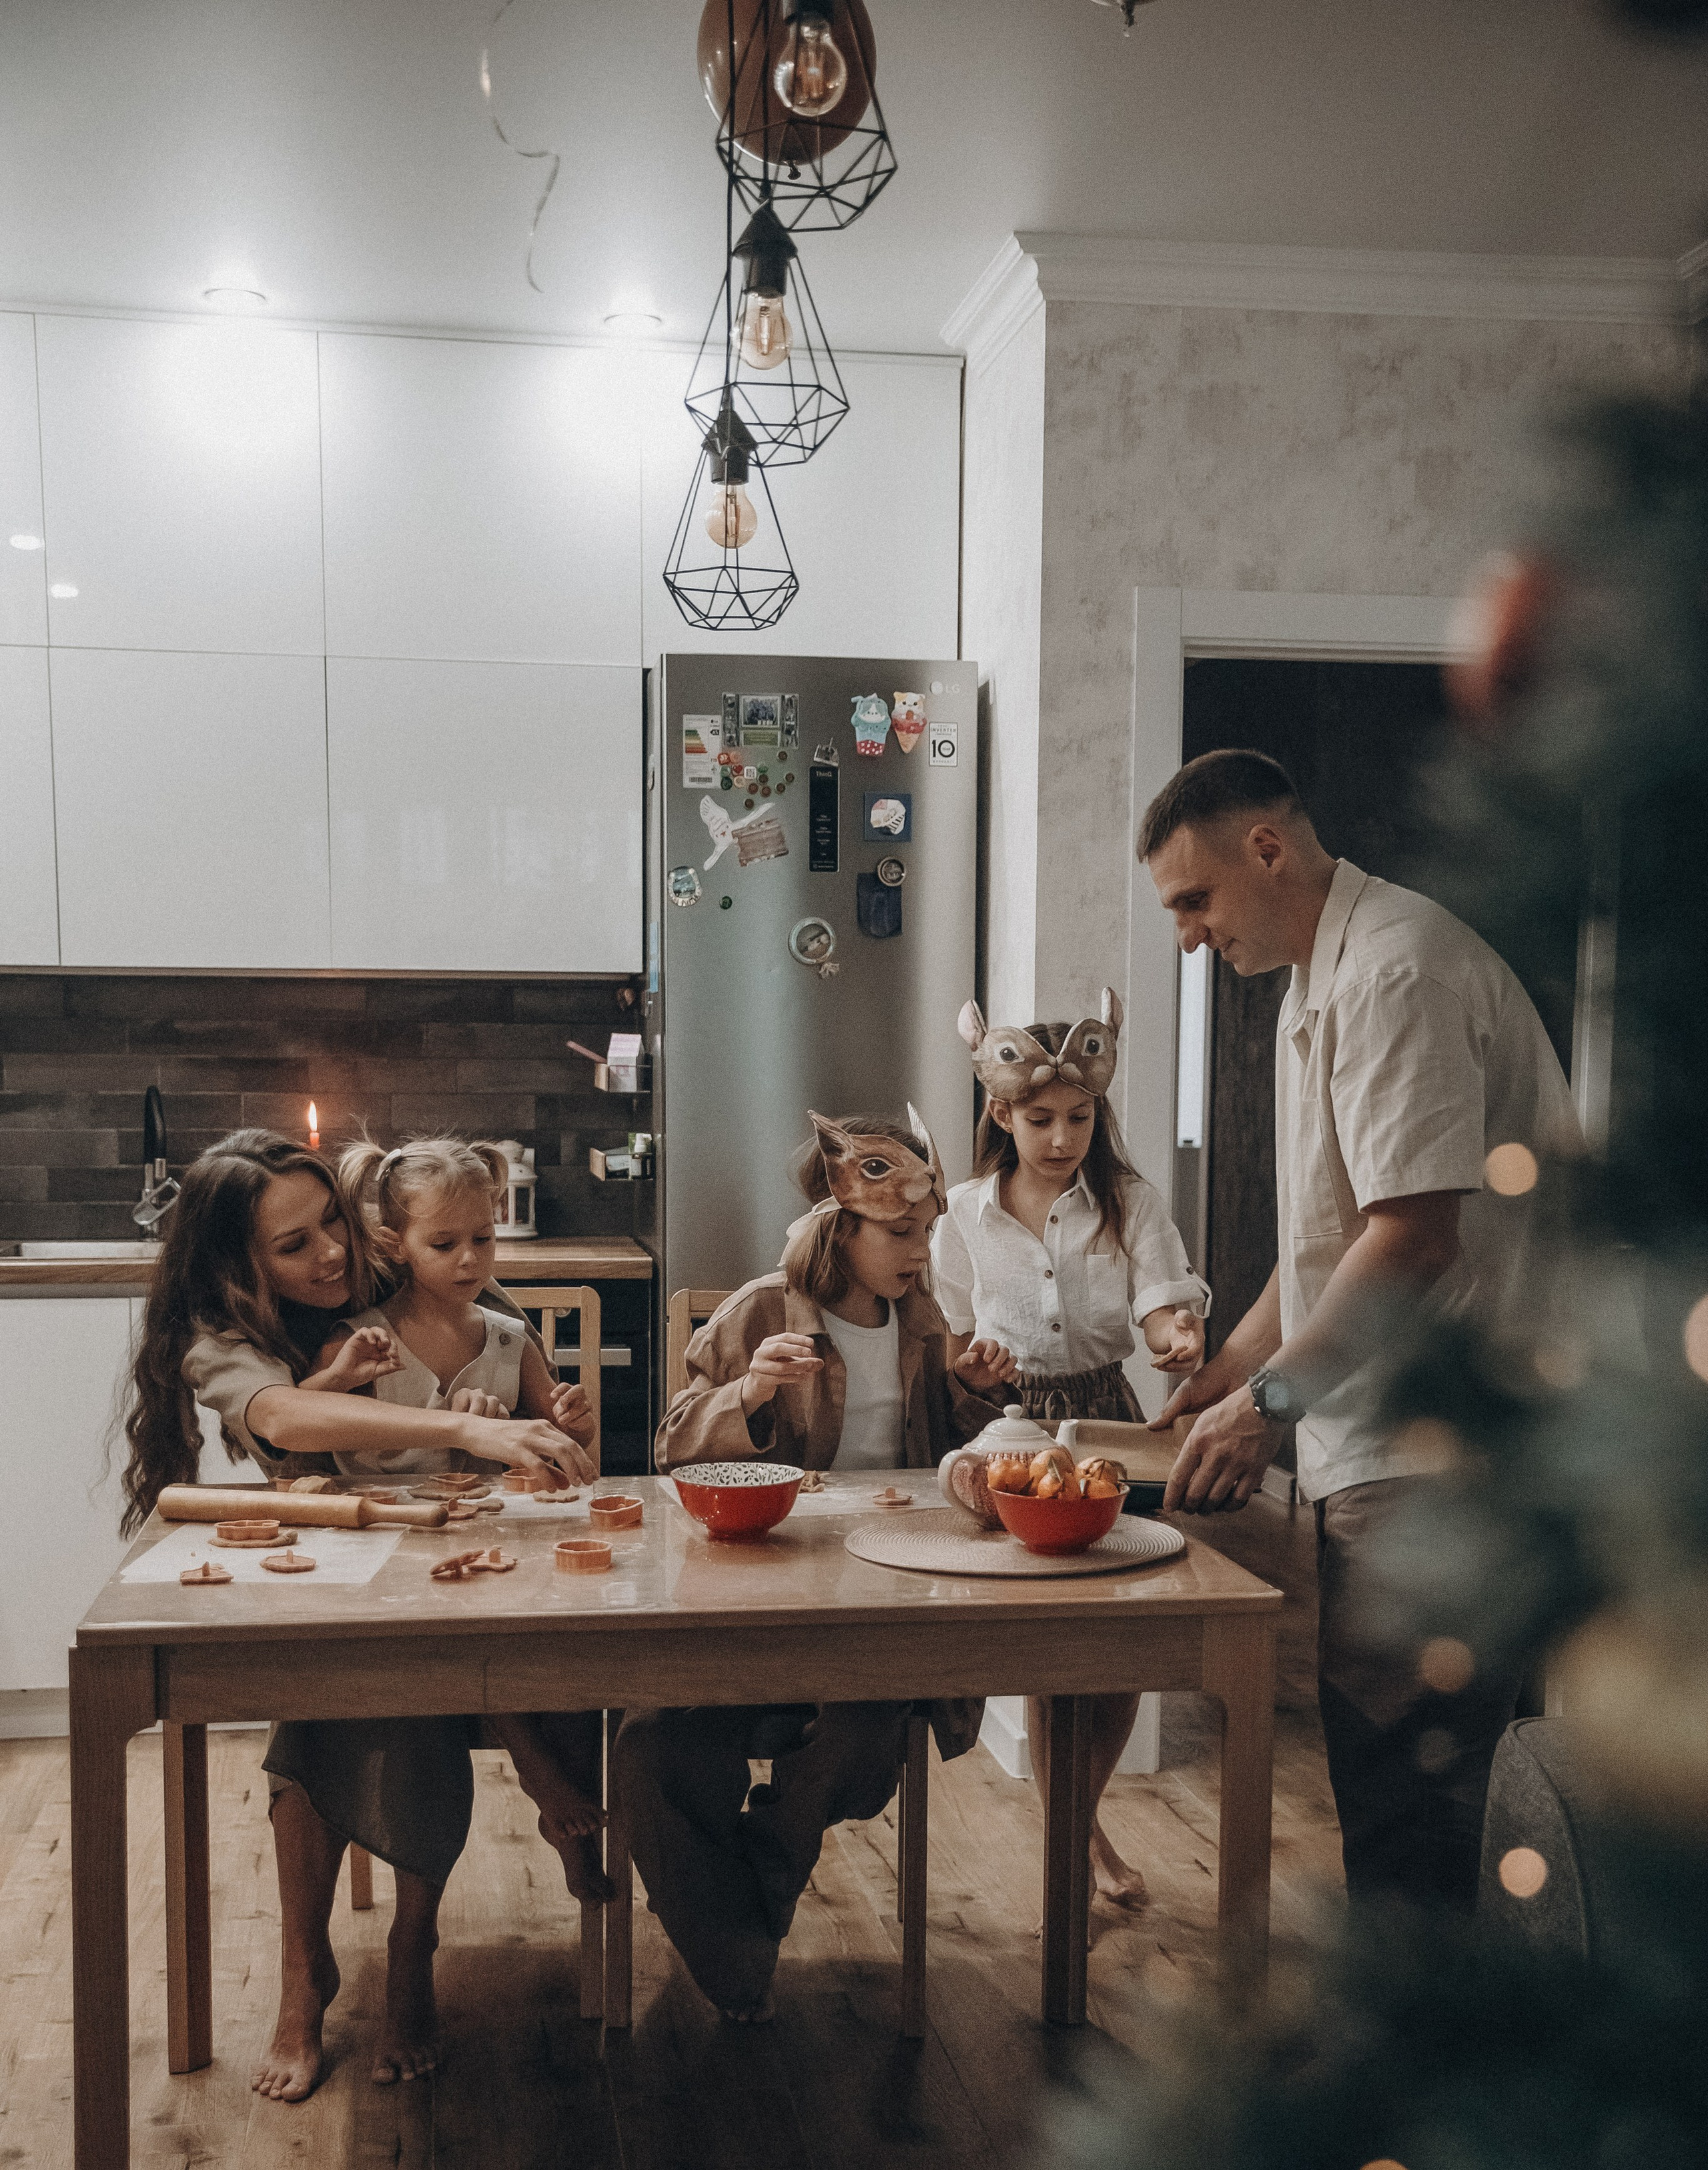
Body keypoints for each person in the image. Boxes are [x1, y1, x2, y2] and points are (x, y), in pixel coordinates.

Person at [1138, 749, 1580, 1907]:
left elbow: (1415, 1242)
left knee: (1413, 1793)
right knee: (1416, 1781)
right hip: (1406, 1436)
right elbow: (1334, 1236)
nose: (1189, 937)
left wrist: (1270, 1407)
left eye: (1195, 900)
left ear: (1268, 848)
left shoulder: (1395, 973)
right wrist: (1231, 1367)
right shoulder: (1318, 982)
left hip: (1445, 1450)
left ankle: (1422, 2074)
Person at [120, 1128, 589, 2101]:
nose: (330, 1253)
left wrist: (535, 1411)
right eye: (292, 1247)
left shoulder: (400, 1267)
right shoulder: (221, 1334)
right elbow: (286, 1422)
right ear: (238, 1265)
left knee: (383, 1695)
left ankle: (397, 1955)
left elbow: (507, 1341)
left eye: (330, 1219)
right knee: (345, 1692)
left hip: (443, 1562)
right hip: (322, 1566)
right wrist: (464, 1426)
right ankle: (313, 1969)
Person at [624, 1107, 1011, 2020]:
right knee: (650, 1747)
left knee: (868, 1722)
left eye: (928, 1231)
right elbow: (671, 1449)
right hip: (748, 1603)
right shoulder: (761, 1310)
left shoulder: (930, 1324)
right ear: (841, 1224)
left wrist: (977, 1396)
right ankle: (740, 1941)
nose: (922, 1250)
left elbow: (954, 1465)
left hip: (884, 1609)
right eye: (902, 1231)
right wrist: (751, 1390)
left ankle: (757, 1884)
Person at [932, 991, 1208, 1908]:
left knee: (1121, 1641)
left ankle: (1076, 1829)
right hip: (1010, 1428)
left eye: (1079, 1118)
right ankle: (1079, 1840)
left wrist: (1176, 1336)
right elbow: (950, 1341)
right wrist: (972, 1369)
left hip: (1109, 1425)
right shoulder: (964, 1214)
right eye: (1040, 1119)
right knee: (1054, 1655)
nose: (1061, 1138)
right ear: (1000, 1114)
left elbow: (1163, 1295)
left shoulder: (1131, 1200)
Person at [332, 1136, 608, 1905]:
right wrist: (445, 1422)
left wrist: (571, 1423)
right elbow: (332, 1446)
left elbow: (561, 1460)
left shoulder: (511, 1339)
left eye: (482, 1239)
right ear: (395, 1243)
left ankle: (571, 1830)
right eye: (444, 1243)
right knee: (465, 1627)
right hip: (390, 1550)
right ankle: (544, 1781)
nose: (469, 1260)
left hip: (493, 1550)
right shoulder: (366, 1340)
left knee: (565, 1649)